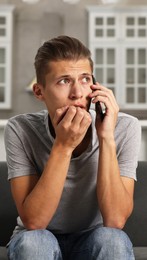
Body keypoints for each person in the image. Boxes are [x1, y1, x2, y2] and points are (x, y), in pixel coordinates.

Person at [5, 35, 141, 260]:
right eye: (64, 81)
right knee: (35, 243)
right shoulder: (20, 129)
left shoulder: (125, 126)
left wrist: (106, 137)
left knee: (113, 240)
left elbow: (115, 221)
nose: (78, 93)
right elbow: (34, 222)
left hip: (94, 239)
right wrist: (63, 146)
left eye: (85, 79)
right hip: (39, 236)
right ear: (39, 91)